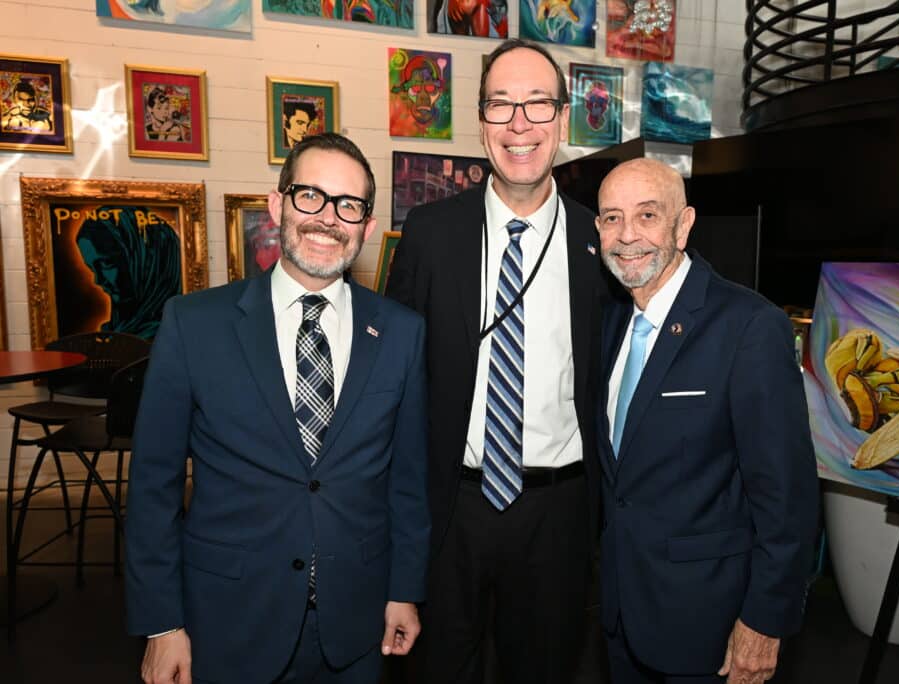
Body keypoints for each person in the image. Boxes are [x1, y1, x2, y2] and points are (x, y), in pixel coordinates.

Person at [125, 132, 430, 684]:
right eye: (310, 195)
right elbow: (152, 488)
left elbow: (407, 483)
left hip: (357, 625)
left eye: (348, 205)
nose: (327, 218)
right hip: (230, 621)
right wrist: (161, 623)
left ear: (366, 225)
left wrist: (404, 591)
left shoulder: (401, 333)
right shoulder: (193, 325)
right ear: (277, 204)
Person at [386, 38, 607, 684]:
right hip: (450, 507)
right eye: (501, 104)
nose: (519, 124)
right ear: (481, 120)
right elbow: (393, 383)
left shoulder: (598, 240)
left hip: (558, 513)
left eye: (537, 104)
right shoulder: (429, 233)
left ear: (561, 119)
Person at [594, 158, 819, 683]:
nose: (627, 236)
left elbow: (787, 495)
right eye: (611, 218)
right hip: (622, 614)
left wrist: (766, 620)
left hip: (709, 627)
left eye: (647, 215)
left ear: (684, 225)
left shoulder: (749, 327)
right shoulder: (610, 322)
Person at [76, 205, 181, 340]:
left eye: (106, 263)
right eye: (92, 269)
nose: (98, 280)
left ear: (147, 260)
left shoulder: (178, 330)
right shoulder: (119, 330)